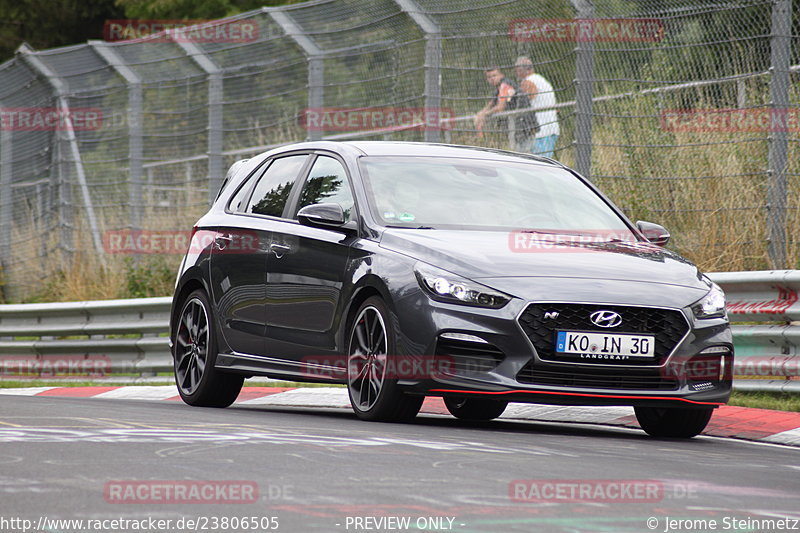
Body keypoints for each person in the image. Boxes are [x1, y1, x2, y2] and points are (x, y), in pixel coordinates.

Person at [473, 67, 537, 151]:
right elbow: (491, 104)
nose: (492, 79)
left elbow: (500, 107)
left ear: (501, 75)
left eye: (494, 75)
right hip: (518, 123)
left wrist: (484, 115)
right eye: (489, 77)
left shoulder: (504, 85)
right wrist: (480, 114)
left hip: (524, 123)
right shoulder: (499, 88)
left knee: (521, 152)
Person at [514, 56, 560, 159]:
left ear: (521, 69)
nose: (516, 73)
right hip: (549, 128)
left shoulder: (529, 81)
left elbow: (527, 98)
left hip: (541, 131)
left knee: (539, 164)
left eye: (517, 70)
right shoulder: (541, 79)